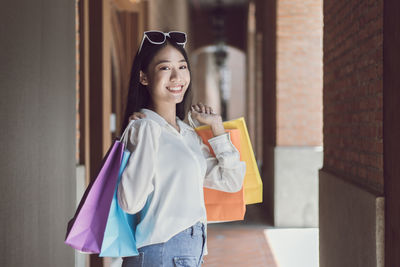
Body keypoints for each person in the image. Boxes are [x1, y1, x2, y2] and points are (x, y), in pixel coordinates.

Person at [118, 30, 246, 267]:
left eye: (182, 67)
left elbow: (231, 181)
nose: (177, 77)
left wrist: (217, 129)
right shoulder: (144, 128)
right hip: (160, 253)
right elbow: (130, 202)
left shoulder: (186, 133)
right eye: (165, 68)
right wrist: (146, 138)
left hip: (190, 253)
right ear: (144, 77)